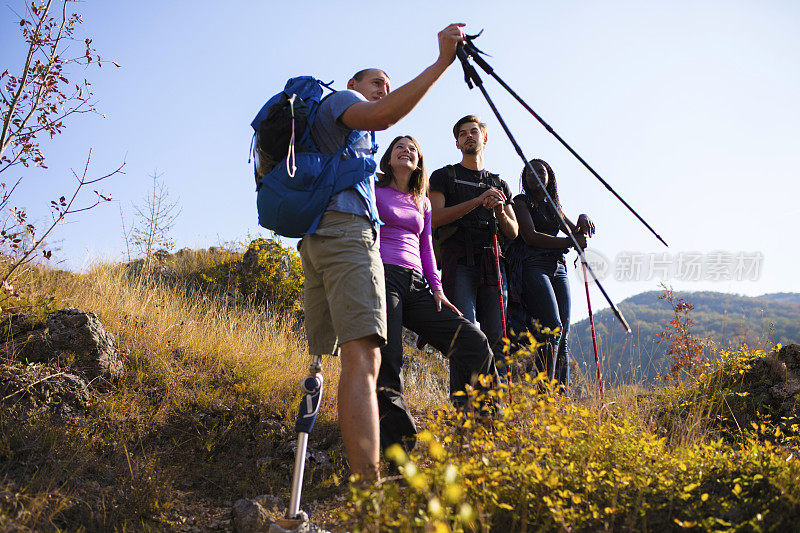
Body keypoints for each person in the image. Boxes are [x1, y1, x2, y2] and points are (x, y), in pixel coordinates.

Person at [298, 23, 467, 482]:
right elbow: (387, 116)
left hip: (324, 239)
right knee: (368, 359)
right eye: (377, 84)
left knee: (349, 357)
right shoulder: (343, 102)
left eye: (386, 87)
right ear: (354, 85)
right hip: (348, 241)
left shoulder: (352, 146)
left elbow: (427, 242)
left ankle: (364, 481)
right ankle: (371, 484)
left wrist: (435, 287)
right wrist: (441, 64)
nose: (383, 92)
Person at [374, 135, 498, 452]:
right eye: (399, 147)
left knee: (474, 341)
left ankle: (482, 430)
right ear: (388, 158)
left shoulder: (423, 201)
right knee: (389, 361)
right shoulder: (374, 191)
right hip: (383, 277)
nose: (406, 151)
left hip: (418, 284)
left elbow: (427, 248)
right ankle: (401, 451)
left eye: (412, 148)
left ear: (418, 162)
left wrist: (438, 290)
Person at [429, 115, 519, 374]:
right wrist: (478, 201)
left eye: (474, 132)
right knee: (464, 331)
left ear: (485, 137)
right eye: (463, 134)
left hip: (493, 262)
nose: (469, 136)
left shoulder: (500, 184)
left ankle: (496, 405)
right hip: (458, 261)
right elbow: (434, 217)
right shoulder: (444, 176)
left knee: (497, 336)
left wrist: (500, 211)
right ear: (457, 143)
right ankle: (464, 407)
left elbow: (512, 232)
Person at [506, 158, 595, 388]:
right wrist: (568, 241)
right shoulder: (521, 202)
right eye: (529, 172)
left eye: (541, 171)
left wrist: (583, 219)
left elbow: (574, 230)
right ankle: (545, 395)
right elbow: (530, 236)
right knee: (552, 326)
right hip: (532, 266)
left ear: (549, 177)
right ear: (524, 179)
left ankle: (560, 397)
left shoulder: (553, 205)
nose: (535, 175)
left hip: (558, 268)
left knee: (563, 334)